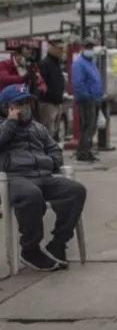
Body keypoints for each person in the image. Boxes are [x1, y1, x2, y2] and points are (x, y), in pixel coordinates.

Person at [0, 84, 87, 271]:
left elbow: (54, 148)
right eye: (19, 104)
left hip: (44, 176)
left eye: (27, 103)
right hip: (16, 178)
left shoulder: (37, 127)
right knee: (31, 195)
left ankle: (58, 243)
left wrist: (50, 161)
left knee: (75, 191)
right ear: (6, 108)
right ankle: (30, 249)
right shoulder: (3, 127)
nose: (25, 107)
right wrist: (11, 122)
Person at [71, 38, 103, 162]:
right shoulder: (79, 63)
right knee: (88, 126)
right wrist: (87, 96)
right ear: (82, 49)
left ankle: (86, 151)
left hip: (95, 98)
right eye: (87, 47)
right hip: (87, 100)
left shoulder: (91, 62)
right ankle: (83, 153)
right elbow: (78, 83)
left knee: (91, 127)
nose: (90, 50)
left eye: (91, 48)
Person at [0, 44, 47, 109]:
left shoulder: (31, 66)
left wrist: (40, 90)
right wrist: (23, 78)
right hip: (9, 103)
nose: (27, 60)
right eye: (25, 56)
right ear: (16, 54)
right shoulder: (5, 64)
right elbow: (4, 79)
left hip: (27, 104)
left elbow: (41, 82)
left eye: (29, 56)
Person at [37, 40, 67, 140]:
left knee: (54, 132)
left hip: (56, 102)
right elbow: (40, 84)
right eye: (60, 49)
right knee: (47, 131)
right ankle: (45, 153)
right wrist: (49, 94)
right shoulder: (45, 64)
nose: (63, 52)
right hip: (48, 103)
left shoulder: (56, 64)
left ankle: (51, 153)